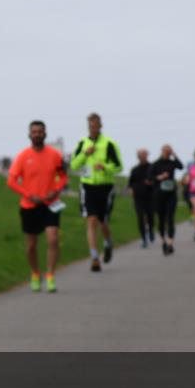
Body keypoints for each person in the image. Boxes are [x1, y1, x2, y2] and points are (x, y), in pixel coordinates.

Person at [7, 121, 68, 292]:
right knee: (31, 245)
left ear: (45, 134)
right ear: (29, 134)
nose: (37, 134)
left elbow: (63, 177)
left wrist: (55, 191)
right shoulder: (23, 156)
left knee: (53, 239)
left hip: (50, 203)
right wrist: (28, 195)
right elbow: (11, 181)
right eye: (34, 132)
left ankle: (50, 276)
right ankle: (35, 273)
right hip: (29, 205)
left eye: (40, 131)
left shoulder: (55, 155)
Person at [70, 113, 122, 271]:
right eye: (90, 126)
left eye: (95, 126)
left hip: (105, 187)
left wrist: (105, 167)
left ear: (100, 126)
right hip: (88, 186)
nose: (93, 129)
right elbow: (73, 165)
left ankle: (107, 243)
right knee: (91, 220)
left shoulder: (109, 144)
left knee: (103, 221)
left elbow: (119, 166)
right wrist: (85, 154)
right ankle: (94, 257)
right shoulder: (82, 144)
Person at [149, 144, 183, 255]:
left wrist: (175, 155)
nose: (168, 154)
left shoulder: (172, 163)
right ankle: (163, 240)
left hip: (171, 194)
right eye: (166, 152)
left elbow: (181, 166)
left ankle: (170, 243)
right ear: (162, 152)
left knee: (170, 217)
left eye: (169, 152)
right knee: (161, 219)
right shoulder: (155, 164)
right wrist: (159, 177)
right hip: (159, 195)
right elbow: (149, 178)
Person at [127, 149, 155, 248]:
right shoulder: (134, 169)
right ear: (138, 156)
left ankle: (151, 231)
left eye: (145, 154)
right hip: (138, 197)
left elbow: (156, 180)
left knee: (150, 216)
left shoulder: (152, 167)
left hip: (150, 196)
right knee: (140, 217)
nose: (143, 156)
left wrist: (152, 183)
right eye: (141, 155)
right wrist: (131, 189)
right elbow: (130, 183)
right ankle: (144, 239)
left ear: (147, 156)